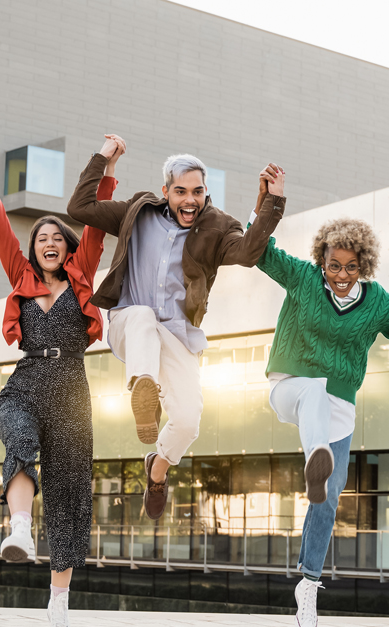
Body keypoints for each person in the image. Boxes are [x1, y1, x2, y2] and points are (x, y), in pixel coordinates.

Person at [253, 170, 389, 627]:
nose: (343, 276)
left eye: (352, 267)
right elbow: (261, 251)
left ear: (364, 266)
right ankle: (316, 456)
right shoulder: (302, 278)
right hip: (291, 385)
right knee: (312, 389)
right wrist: (269, 201)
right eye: (335, 265)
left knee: (328, 498)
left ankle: (308, 584)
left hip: (338, 404)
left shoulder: (375, 302)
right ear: (322, 261)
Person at [66, 136, 286, 521]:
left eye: (197, 192)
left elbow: (249, 251)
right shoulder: (137, 211)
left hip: (177, 335)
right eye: (181, 191)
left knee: (187, 422)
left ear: (206, 193)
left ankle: (157, 467)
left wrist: (271, 201)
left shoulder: (218, 228)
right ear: (165, 190)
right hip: (129, 325)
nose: (190, 200)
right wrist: (102, 159)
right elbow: (79, 207)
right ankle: (144, 389)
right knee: (142, 316)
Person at [0, 137, 121, 627]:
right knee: (19, 437)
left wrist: (105, 165)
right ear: (33, 249)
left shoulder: (83, 276)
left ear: (69, 247)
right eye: (41, 238)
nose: (50, 241)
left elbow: (98, 223)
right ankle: (18, 528)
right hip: (27, 382)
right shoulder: (21, 276)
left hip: (73, 393)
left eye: (58, 236)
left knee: (70, 498)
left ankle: (59, 604)